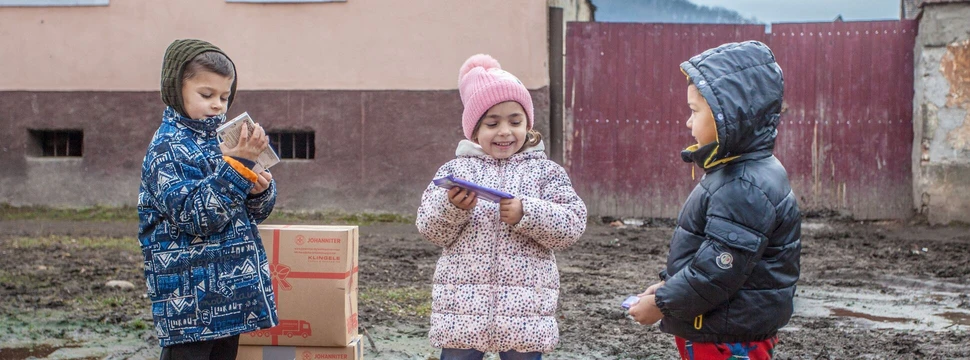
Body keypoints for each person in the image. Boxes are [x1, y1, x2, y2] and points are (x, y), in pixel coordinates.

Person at [628, 40, 801, 360]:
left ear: (730, 117)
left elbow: (718, 271)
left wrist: (662, 304)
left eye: (695, 111)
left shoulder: (744, 186)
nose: (688, 122)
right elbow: (710, 250)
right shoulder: (737, 172)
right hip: (724, 329)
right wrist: (667, 287)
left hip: (728, 338)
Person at [415, 54, 588, 360]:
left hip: (525, 312)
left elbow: (572, 224)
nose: (505, 131)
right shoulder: (456, 171)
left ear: (528, 123)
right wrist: (452, 207)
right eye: (492, 123)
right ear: (474, 130)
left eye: (515, 121)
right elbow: (429, 228)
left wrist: (528, 214)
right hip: (462, 309)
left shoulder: (545, 172)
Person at [138, 39, 278, 360]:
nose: (217, 104)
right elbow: (197, 216)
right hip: (188, 303)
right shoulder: (167, 149)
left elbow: (252, 212)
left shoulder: (225, 140)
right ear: (176, 89)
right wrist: (239, 166)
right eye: (206, 95)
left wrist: (259, 191)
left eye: (225, 96)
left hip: (229, 297)